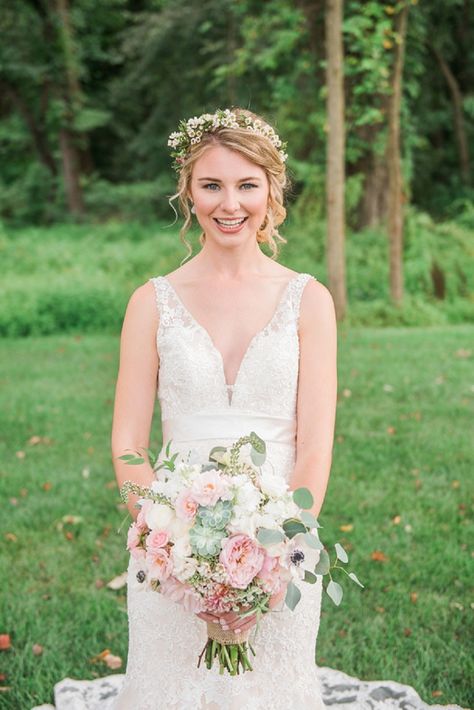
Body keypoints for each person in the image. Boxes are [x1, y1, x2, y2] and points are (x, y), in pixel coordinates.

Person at [110, 107, 337, 709]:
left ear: (272, 189)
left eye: (247, 185)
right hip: (168, 544)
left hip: (280, 541)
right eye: (211, 184)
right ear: (188, 190)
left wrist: (282, 549)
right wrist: (166, 547)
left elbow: (315, 446)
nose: (228, 203)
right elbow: (129, 443)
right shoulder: (151, 302)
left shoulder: (308, 301)